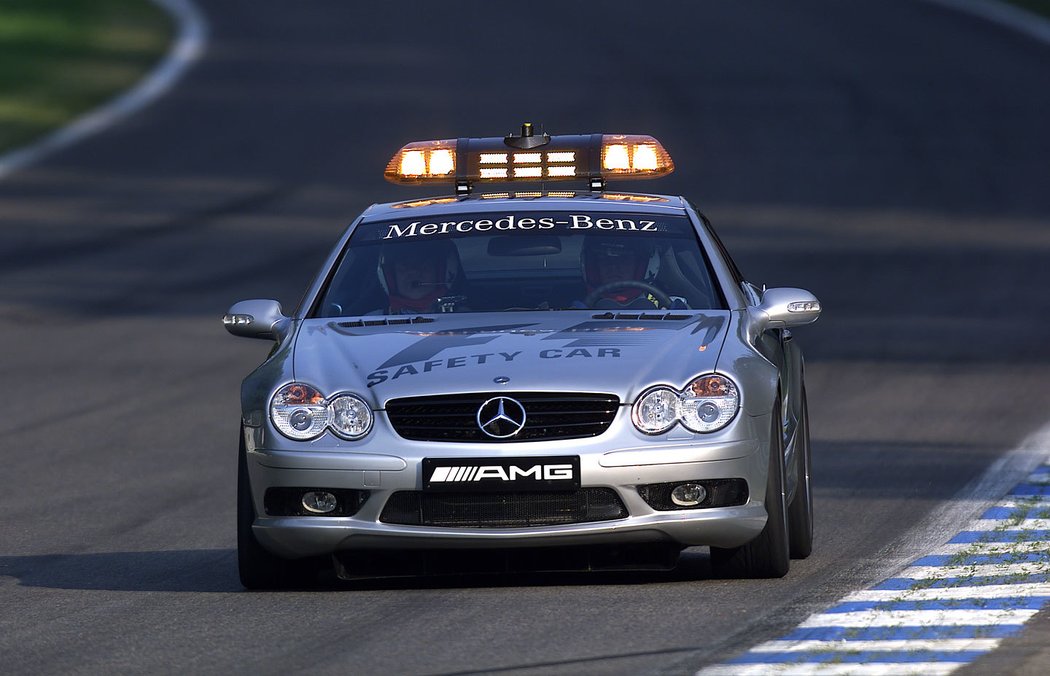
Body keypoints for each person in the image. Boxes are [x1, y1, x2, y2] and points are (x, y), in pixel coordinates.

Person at [377, 239, 463, 313]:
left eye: (424, 266)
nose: (414, 272)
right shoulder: (369, 322)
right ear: (390, 277)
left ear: (443, 273)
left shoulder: (466, 318)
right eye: (404, 266)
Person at [579, 235, 664, 309]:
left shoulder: (669, 310)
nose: (613, 266)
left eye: (623, 260)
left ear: (641, 266)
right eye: (605, 259)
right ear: (594, 266)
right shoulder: (571, 311)